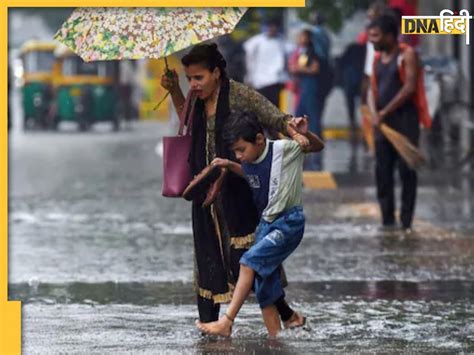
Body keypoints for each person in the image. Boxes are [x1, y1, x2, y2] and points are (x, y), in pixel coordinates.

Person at [160, 43, 309, 329]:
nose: (193, 84)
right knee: (207, 259)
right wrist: (175, 91)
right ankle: (210, 326)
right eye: (189, 78)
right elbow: (188, 124)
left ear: (216, 72)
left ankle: (286, 315)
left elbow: (274, 117)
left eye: (199, 78)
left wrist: (296, 130)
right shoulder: (195, 98)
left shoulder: (239, 94)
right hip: (205, 192)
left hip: (238, 191)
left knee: (250, 258)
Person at [196, 111, 324, 336]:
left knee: (248, 262)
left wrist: (305, 135)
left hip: (288, 223)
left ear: (259, 139)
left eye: (241, 150)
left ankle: (226, 321)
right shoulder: (249, 160)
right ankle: (276, 339)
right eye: (235, 152)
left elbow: (316, 146)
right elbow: (250, 174)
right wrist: (228, 164)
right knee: (264, 285)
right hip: (266, 225)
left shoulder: (284, 150)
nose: (239, 156)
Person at [367, 14, 419, 231]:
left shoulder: (406, 55)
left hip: (404, 124)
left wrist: (385, 112)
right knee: (383, 173)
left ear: (389, 35)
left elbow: (409, 87)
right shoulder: (378, 59)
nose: (372, 40)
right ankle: (387, 221)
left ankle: (406, 222)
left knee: (407, 173)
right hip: (382, 128)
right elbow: (372, 88)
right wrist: (373, 112)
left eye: (376, 36)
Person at [288, 29, 322, 170]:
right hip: (301, 88)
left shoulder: (312, 53)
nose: (301, 39)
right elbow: (292, 67)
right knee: (299, 115)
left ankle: (315, 142)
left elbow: (315, 69)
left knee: (311, 116)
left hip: (310, 88)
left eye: (304, 37)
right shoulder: (298, 52)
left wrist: (299, 69)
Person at [243, 19, 288, 108]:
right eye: (270, 27)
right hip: (260, 80)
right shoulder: (256, 41)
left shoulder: (281, 41)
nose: (272, 29)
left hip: (276, 80)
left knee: (275, 107)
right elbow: (248, 56)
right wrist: (249, 76)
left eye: (275, 27)